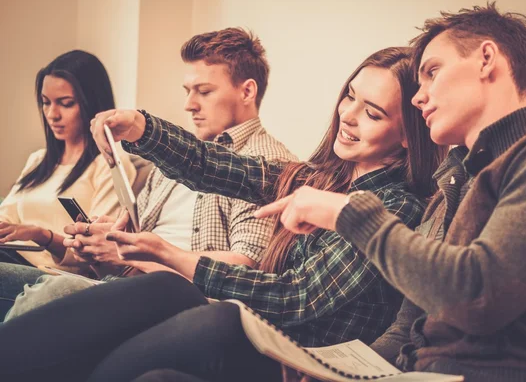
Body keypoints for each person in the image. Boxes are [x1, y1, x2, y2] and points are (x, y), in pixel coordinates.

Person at [0, 46, 446, 382]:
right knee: (165, 301)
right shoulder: (317, 177)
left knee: (213, 313)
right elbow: (213, 166)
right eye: (349, 96)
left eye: (371, 112)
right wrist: (141, 127)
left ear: (408, 136)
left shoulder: (394, 207)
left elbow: (298, 297)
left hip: (304, 358)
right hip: (263, 336)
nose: (347, 115)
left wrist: (173, 256)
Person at [254, 3, 526, 382]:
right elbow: (407, 331)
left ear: (487, 59)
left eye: (433, 72)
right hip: (415, 373)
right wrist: (337, 372)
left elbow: (477, 296)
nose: (418, 98)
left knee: (215, 331)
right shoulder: (448, 187)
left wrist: (347, 214)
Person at [3, 27, 297, 321]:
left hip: (179, 301)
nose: (189, 104)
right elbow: (127, 253)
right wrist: (103, 245)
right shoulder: (171, 160)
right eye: (187, 91)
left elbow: (246, 268)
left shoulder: (266, 164)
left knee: (46, 293)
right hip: (125, 285)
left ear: (247, 91)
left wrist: (136, 253)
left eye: (204, 91)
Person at [0, 50, 136, 317]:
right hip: (11, 257)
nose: (52, 114)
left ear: (90, 103)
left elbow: (97, 251)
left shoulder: (108, 166)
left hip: (51, 276)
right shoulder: (38, 161)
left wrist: (42, 235)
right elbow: (6, 217)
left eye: (65, 103)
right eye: (45, 102)